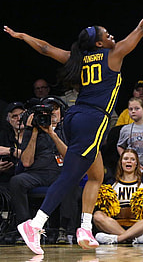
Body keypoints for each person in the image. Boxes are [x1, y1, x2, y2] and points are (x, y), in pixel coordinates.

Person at [4, 0, 143, 254]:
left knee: (96, 174)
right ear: (100, 43)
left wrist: (22, 36)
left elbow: (45, 48)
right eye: (106, 34)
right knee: (71, 175)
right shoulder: (114, 54)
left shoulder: (79, 59)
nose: (111, 34)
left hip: (75, 116)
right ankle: (35, 224)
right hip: (93, 120)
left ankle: (85, 227)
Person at [9, 97, 79, 245]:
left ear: (61, 112)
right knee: (17, 181)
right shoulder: (31, 130)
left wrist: (52, 133)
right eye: (48, 109)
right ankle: (26, 229)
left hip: (59, 174)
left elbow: (70, 158)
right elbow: (27, 162)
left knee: (71, 181)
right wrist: (34, 132)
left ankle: (65, 230)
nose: (52, 112)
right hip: (36, 174)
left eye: (55, 109)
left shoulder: (66, 130)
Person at [94, 149, 143, 244]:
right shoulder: (111, 184)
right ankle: (132, 238)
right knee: (97, 215)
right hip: (115, 225)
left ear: (137, 164)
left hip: (139, 226)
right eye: (126, 159)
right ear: (121, 162)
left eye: (132, 159)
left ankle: (117, 239)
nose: (129, 161)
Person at [117, 97, 143, 192]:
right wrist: (125, 157)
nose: (133, 111)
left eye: (137, 108)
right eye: (130, 109)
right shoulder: (125, 129)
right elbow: (120, 146)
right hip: (134, 167)